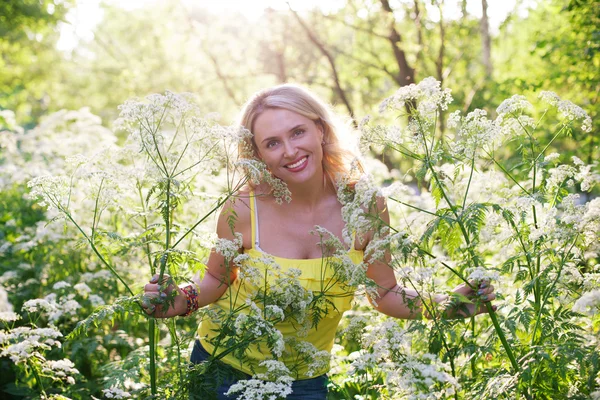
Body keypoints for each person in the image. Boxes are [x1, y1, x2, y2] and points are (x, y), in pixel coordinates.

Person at [142, 84, 496, 399]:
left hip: (305, 382)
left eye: (298, 132)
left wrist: (449, 305)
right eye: (272, 143)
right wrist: (178, 300)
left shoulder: (366, 204)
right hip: (221, 369)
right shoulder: (243, 206)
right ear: (258, 154)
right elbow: (217, 281)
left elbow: (385, 294)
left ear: (321, 130)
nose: (290, 151)